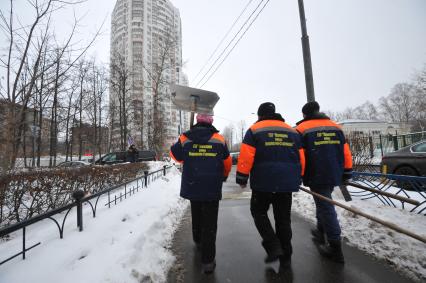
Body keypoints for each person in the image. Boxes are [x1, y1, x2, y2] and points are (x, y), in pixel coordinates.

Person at [236, 102, 305, 269]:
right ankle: (286, 256)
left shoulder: (254, 130)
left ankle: (273, 245)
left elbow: (246, 156)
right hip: (286, 183)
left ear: (260, 115)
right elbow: (301, 157)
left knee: (258, 212)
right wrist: (299, 176)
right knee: (283, 219)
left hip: (263, 183)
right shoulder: (292, 131)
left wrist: (242, 177)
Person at [170, 113, 232, 274]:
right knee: (210, 224)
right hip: (212, 186)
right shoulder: (219, 139)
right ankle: (208, 261)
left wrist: (189, 157)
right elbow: (227, 162)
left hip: (193, 185)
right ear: (211, 122)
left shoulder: (185, 138)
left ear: (197, 121)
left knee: (196, 214)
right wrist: (223, 176)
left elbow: (175, 155)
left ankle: (198, 241)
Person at [295, 101, 353, 263]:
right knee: (322, 202)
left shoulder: (301, 129)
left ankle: (335, 247)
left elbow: (301, 156)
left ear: (304, 114)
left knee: (326, 206)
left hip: (316, 173)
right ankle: (321, 231)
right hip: (334, 172)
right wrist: (347, 172)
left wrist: (299, 175)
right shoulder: (335, 127)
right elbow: (345, 152)